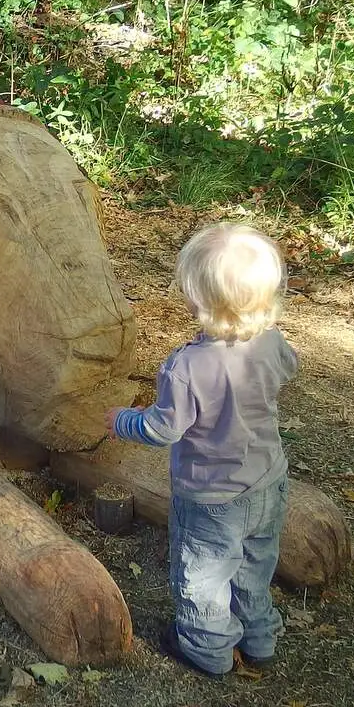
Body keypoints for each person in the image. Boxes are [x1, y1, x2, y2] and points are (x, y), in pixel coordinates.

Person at [107, 223, 295, 677]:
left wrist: (118, 420)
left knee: (203, 577)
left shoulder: (186, 366)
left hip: (211, 497)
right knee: (254, 564)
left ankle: (207, 649)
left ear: (198, 300)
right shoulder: (272, 342)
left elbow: (162, 429)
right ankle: (259, 639)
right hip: (268, 482)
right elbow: (289, 370)